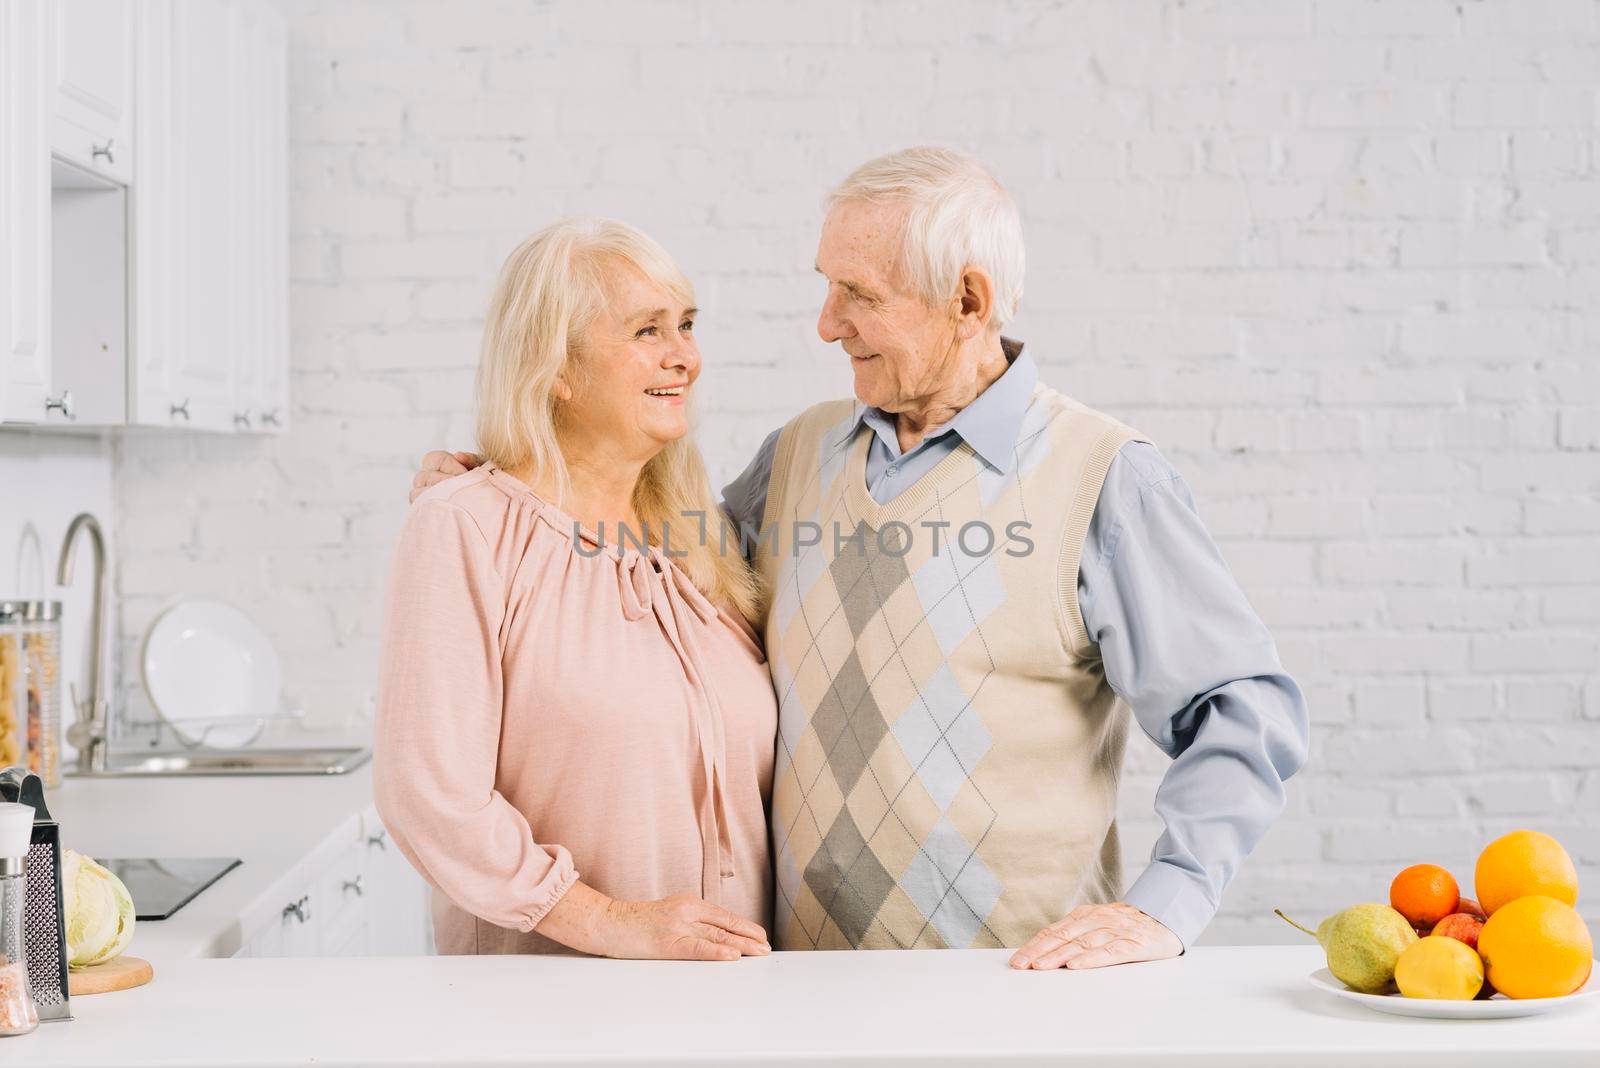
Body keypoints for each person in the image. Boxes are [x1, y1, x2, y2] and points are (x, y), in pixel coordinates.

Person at [411, 147, 1310, 970]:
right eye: (826, 287)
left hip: (1016, 992)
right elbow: (638, 581)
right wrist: (504, 490)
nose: (826, 323)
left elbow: (1240, 710)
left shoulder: (1103, 479)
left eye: (859, 294)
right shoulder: (798, 457)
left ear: (969, 300)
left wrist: (1167, 906)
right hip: (794, 992)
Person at [376, 218, 774, 961]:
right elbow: (429, 797)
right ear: (557, 367)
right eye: (646, 331)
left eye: (685, 325)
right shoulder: (465, 527)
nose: (683, 355)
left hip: (735, 1003)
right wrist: (609, 922)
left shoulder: (706, 540)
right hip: (551, 1011)